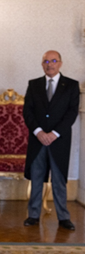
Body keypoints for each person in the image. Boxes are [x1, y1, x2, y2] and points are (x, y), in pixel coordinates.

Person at [23, 50, 80, 230]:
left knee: (58, 180)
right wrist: (39, 132)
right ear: (42, 65)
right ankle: (33, 215)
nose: (50, 64)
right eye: (46, 61)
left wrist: (54, 134)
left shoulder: (71, 85)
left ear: (60, 63)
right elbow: (28, 112)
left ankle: (63, 217)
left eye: (53, 61)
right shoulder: (34, 85)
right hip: (37, 140)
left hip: (59, 141)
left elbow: (72, 113)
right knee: (37, 178)